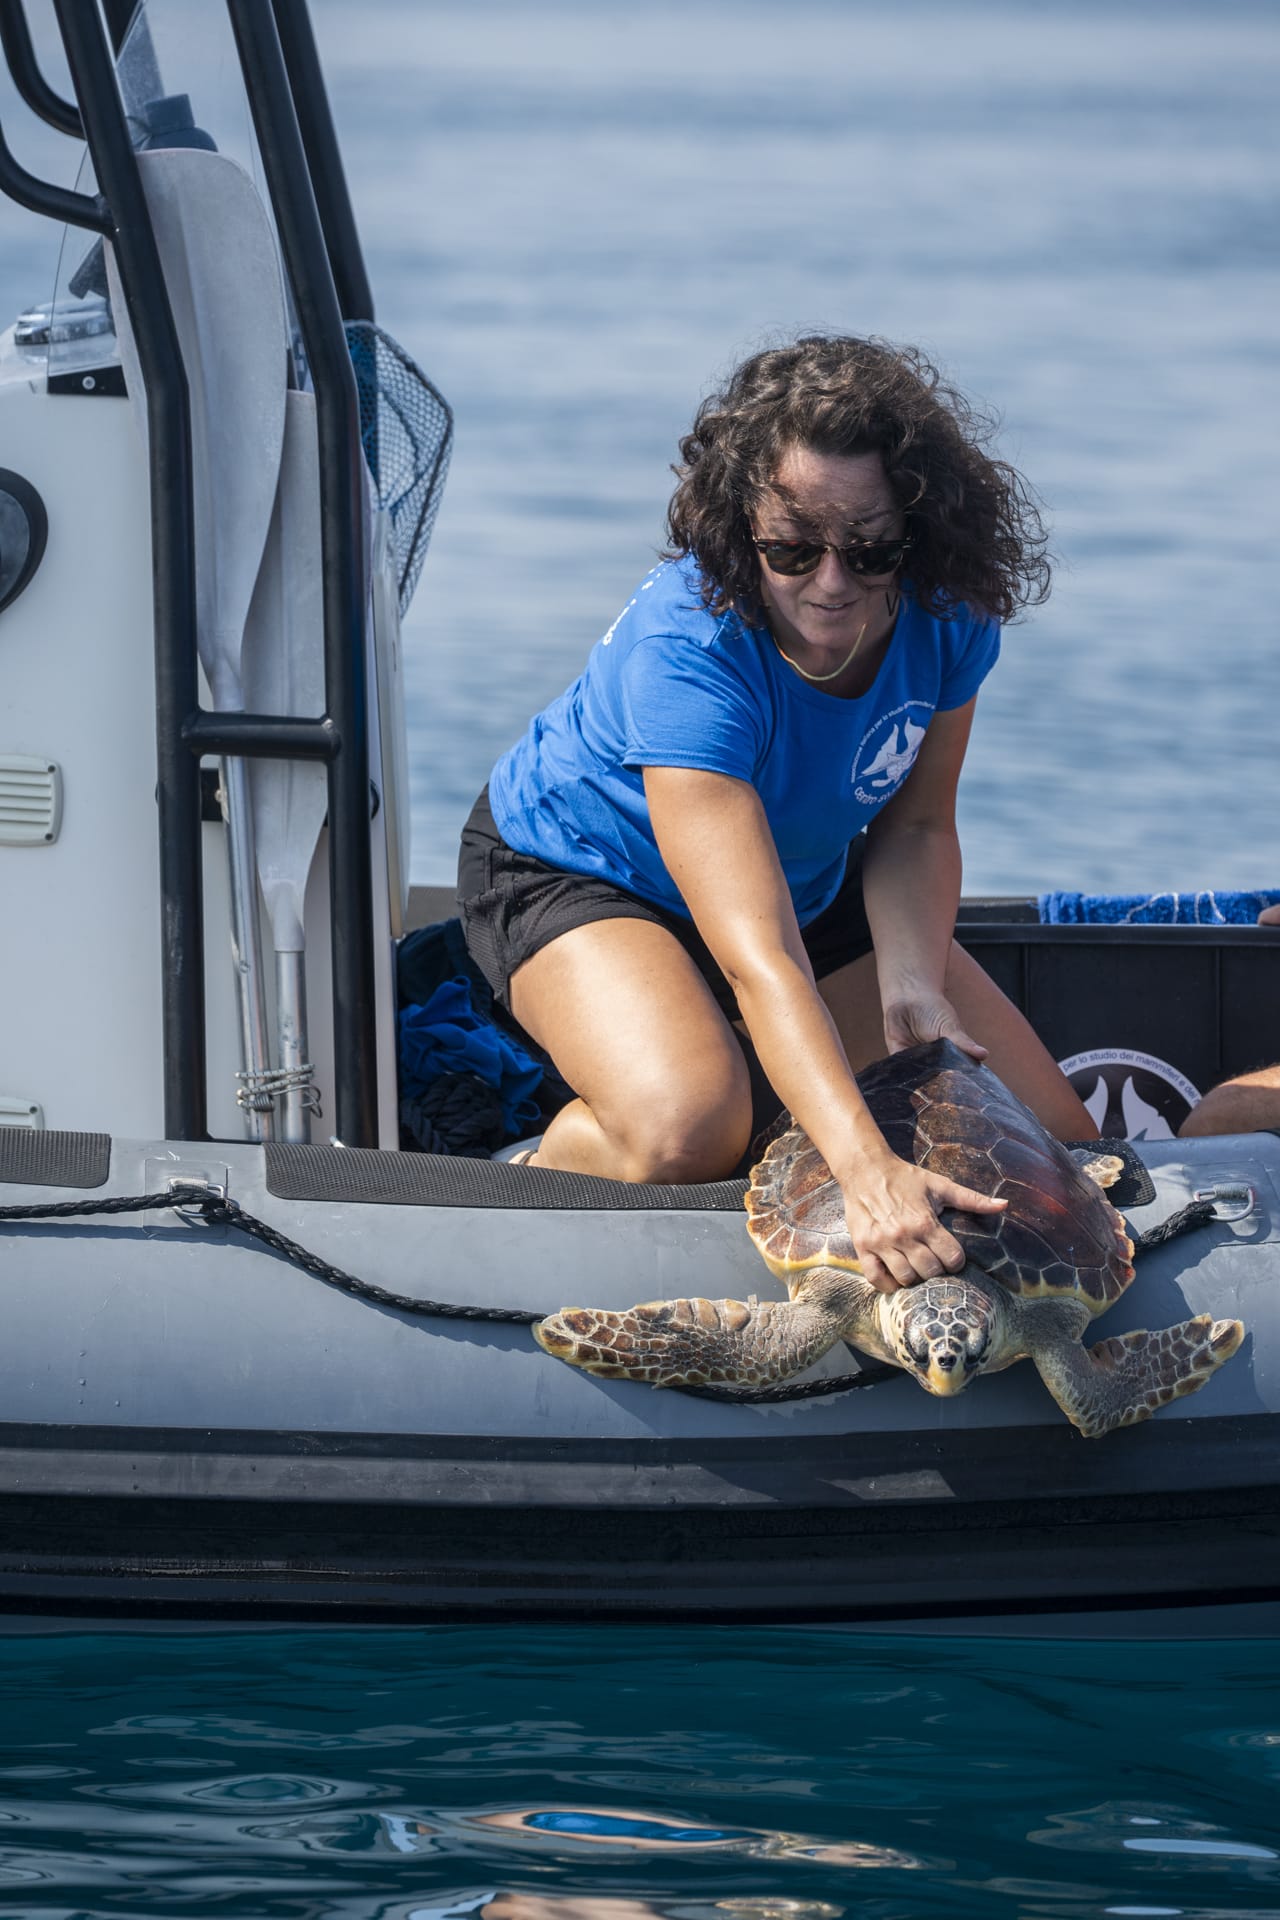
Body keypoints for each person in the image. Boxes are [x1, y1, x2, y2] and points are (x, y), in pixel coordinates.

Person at [457, 334, 1096, 1293]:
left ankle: (761, 1083)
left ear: (919, 532)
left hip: (807, 869)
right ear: (736, 524)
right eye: (792, 547)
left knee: (1058, 1142)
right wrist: (865, 1169)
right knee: (688, 1131)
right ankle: (536, 1160)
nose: (832, 583)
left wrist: (912, 985)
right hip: (586, 867)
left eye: (871, 548)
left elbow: (916, 828)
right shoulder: (689, 652)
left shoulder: (949, 611)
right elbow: (760, 959)